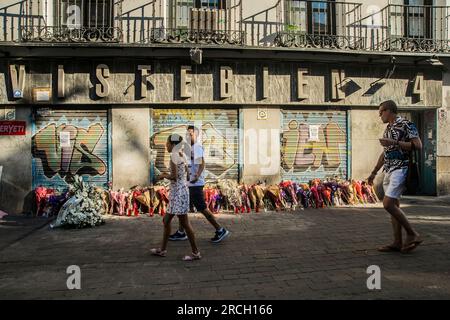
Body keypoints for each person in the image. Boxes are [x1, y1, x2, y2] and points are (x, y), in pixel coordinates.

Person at [368, 100, 423, 254]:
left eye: (381, 112)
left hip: (401, 168)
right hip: (389, 170)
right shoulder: (388, 128)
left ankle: (413, 234)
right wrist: (374, 172)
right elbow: (384, 153)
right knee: (394, 208)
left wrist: (394, 142)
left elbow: (418, 145)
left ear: (389, 110)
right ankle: (397, 242)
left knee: (388, 204)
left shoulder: (406, 124)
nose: (380, 116)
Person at [169, 125, 230, 243]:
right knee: (184, 207)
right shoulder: (189, 148)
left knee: (201, 207)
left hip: (196, 183)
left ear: (196, 135)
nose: (188, 135)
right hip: (190, 183)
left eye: (190, 134)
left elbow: (202, 164)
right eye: (187, 133)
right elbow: (192, 163)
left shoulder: (197, 147)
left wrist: (197, 176)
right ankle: (181, 232)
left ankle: (220, 229)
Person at [150, 134, 201, 261]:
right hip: (180, 192)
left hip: (178, 193)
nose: (166, 145)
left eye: (167, 143)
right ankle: (162, 250)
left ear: (172, 145)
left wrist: (163, 175)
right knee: (166, 221)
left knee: (185, 223)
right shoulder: (182, 155)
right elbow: (188, 176)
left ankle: (196, 253)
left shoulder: (174, 156)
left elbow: (174, 177)